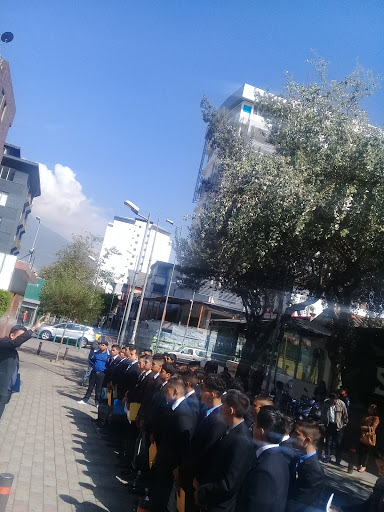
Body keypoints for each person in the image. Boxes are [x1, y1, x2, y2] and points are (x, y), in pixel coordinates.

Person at [195, 389, 252, 512]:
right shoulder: (230, 429)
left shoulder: (241, 440)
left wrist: (204, 490)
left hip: (219, 505)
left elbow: (229, 483)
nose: (220, 408)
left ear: (231, 410)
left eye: (223, 406)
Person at [150, 376, 196, 512]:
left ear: (175, 391)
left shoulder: (183, 413)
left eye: (167, 391)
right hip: (164, 462)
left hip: (171, 467)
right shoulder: (174, 408)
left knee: (163, 501)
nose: (165, 393)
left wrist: (179, 468)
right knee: (158, 497)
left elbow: (184, 444)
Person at [236, 406, 289, 512]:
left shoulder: (265, 470)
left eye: (255, 425)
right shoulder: (279, 458)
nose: (252, 428)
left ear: (261, 431)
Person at [0, 316, 46, 419]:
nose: (21, 341)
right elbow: (15, 342)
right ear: (12, 335)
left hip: (7, 388)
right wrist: (34, 328)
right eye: (21, 337)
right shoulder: (4, 343)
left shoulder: (12, 348)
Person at [286, 420, 325, 512]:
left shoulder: (314, 470)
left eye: (297, 434)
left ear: (307, 440)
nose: (292, 436)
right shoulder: (298, 456)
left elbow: (300, 503)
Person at [78, 340, 110, 406]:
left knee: (98, 389)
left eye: (103, 345)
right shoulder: (97, 352)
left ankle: (97, 402)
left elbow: (109, 364)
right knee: (90, 387)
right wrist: (93, 365)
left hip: (101, 374)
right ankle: (85, 399)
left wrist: (105, 369)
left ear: (106, 346)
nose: (101, 346)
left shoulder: (108, 355)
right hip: (94, 372)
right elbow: (91, 359)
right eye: (101, 345)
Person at [321, 392, 348, 465]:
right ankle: (327, 457)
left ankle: (338, 460)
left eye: (334, 400)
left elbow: (345, 414)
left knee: (338, 443)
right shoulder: (326, 403)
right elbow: (323, 413)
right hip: (329, 424)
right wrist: (323, 422)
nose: (333, 401)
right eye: (332, 399)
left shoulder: (341, 404)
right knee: (328, 442)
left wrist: (345, 423)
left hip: (339, 426)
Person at [357, 404, 380, 473]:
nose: (369, 410)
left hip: (369, 436)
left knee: (366, 452)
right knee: (360, 451)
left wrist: (363, 427)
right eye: (369, 408)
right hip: (362, 435)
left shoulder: (376, 418)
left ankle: (364, 466)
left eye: (371, 409)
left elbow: (372, 428)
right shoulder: (366, 416)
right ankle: (359, 464)